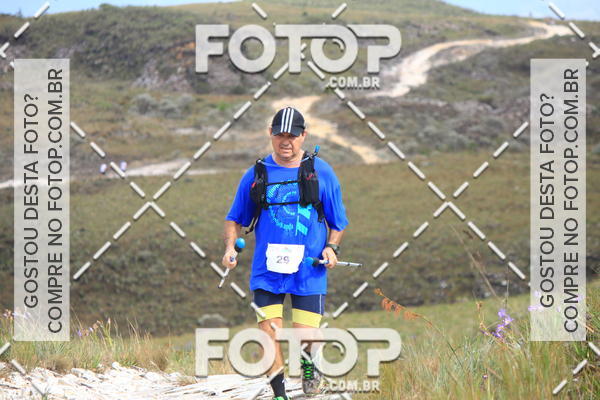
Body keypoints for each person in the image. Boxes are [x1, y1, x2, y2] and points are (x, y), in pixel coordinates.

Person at [222, 106, 349, 399]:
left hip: (309, 269)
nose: (286, 141)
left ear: (304, 136)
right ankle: (279, 395)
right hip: (267, 270)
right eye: (280, 135)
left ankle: (310, 364)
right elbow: (235, 218)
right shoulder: (257, 173)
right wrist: (230, 247)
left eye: (292, 135)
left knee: (305, 336)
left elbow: (338, 221)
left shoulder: (321, 171)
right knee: (269, 334)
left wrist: (332, 247)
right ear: (270, 133)